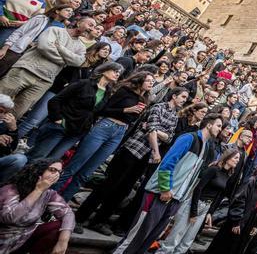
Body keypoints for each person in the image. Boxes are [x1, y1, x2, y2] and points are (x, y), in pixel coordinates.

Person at [75, 87, 189, 234]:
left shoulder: (174, 116)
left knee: (123, 190)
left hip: (144, 157)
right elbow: (151, 131)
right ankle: (80, 217)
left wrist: (156, 132)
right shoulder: (158, 107)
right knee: (109, 185)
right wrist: (156, 148)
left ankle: (99, 221)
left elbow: (168, 137)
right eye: (183, 97)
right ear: (174, 96)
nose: (185, 100)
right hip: (133, 150)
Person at [113, 112, 224, 254]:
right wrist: (165, 188)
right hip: (160, 193)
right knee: (138, 233)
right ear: (209, 125)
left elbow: (192, 174)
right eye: (218, 125)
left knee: (150, 237)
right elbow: (167, 163)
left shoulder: (207, 147)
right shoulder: (189, 138)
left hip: (176, 199)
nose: (220, 129)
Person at [54, 71, 151, 200]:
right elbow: (103, 109)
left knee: (86, 174)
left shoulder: (144, 100)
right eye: (148, 80)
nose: (151, 83)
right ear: (140, 81)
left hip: (120, 132)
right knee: (74, 167)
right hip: (105, 127)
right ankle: (48, 196)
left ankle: (60, 203)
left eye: (153, 82)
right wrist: (125, 110)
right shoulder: (124, 91)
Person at [26, 61, 123, 160]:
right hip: (60, 127)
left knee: (51, 161)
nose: (118, 74)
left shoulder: (107, 93)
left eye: (119, 73)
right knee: (37, 157)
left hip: (77, 133)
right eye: (115, 71)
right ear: (104, 70)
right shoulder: (84, 83)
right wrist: (58, 119)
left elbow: (95, 113)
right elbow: (55, 100)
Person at [0, 15, 91, 119]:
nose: (91, 29)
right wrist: (64, 61)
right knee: (1, 95)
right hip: (26, 69)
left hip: (45, 81)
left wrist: (60, 48)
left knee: (16, 113)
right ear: (79, 23)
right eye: (90, 25)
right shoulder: (55, 30)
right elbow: (44, 47)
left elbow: (78, 62)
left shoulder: (81, 47)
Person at [155, 147, 241, 254]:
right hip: (194, 204)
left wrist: (210, 212)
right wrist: (193, 212)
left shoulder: (228, 175)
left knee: (187, 241)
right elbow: (198, 189)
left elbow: (219, 196)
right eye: (236, 158)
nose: (238, 160)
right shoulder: (213, 169)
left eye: (238, 158)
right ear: (228, 157)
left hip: (205, 208)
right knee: (174, 238)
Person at [0, 159, 73, 254]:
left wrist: (63, 241)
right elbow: (12, 218)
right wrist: (38, 191)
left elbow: (68, 213)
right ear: (39, 170)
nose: (57, 175)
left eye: (60, 172)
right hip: (4, 240)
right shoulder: (11, 189)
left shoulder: (49, 194)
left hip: (22, 240)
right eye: (52, 170)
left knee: (58, 227)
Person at [205, 161, 257, 254]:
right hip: (238, 221)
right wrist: (237, 221)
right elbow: (239, 200)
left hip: (248, 223)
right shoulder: (251, 181)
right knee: (223, 247)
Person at [0, 95, 25, 182]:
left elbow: (9, 150)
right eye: (1, 111)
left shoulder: (4, 124)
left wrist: (13, 130)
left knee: (20, 159)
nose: (3, 115)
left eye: (6, 113)